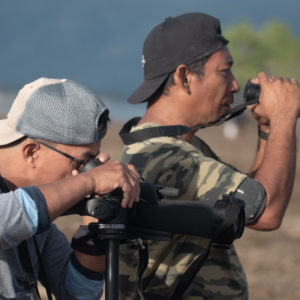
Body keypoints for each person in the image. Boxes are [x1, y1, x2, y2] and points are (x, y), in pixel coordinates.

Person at [118, 12, 300, 300]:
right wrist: (283, 117)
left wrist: (267, 128)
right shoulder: (169, 157)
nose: (235, 85)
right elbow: (267, 213)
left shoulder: (170, 147)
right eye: (224, 71)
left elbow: (247, 201)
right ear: (184, 76)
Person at [0, 77, 140, 300]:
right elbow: (6, 219)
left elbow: (78, 293)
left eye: (91, 164)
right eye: (81, 163)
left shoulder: (35, 216)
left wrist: (97, 217)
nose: (82, 173)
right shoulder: (24, 209)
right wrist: (90, 181)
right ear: (32, 152)